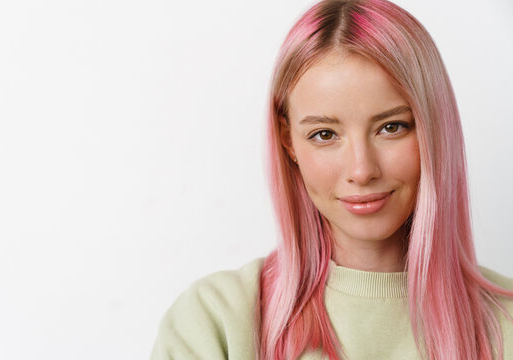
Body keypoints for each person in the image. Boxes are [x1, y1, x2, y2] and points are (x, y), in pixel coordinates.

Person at [150, 0, 513, 359]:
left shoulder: (506, 324)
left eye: (391, 127)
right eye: (324, 134)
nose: (361, 170)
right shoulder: (215, 323)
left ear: (434, 129)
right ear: (287, 139)